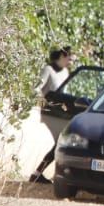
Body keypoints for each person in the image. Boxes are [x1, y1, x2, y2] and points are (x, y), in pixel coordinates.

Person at [28, 47, 74, 184]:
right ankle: (38, 174)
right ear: (61, 56)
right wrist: (42, 101)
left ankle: (46, 174)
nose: (70, 62)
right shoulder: (48, 69)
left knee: (60, 144)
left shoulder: (65, 72)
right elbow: (36, 88)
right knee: (60, 143)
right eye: (69, 59)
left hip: (62, 112)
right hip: (50, 112)